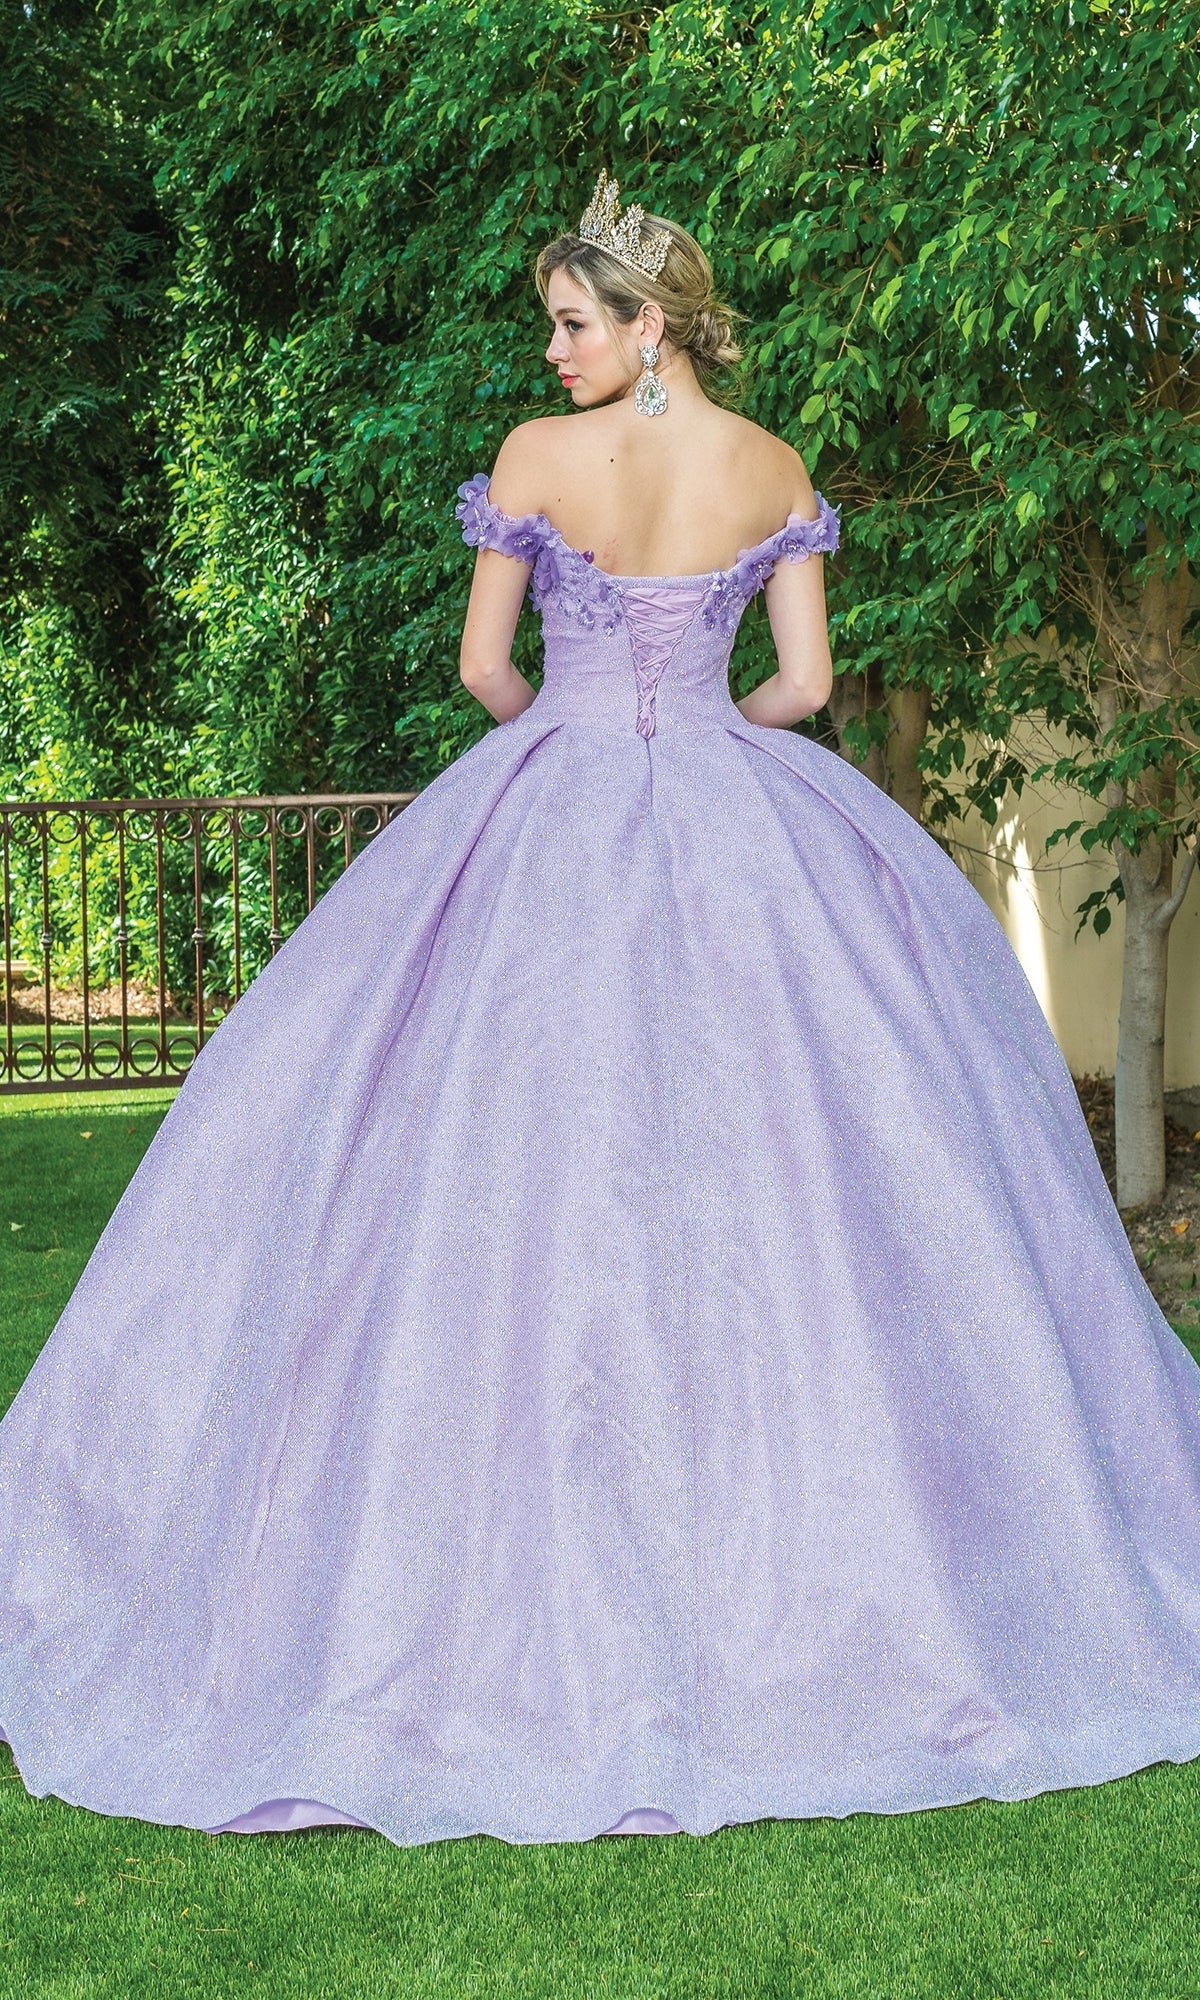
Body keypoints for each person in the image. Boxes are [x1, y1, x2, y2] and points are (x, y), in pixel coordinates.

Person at [1, 168, 1200, 1853]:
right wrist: (704, 734)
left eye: (574, 323)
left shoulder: (536, 466)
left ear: (651, 329)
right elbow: (807, 689)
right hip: (740, 793)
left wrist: (564, 721)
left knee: (500, 1159)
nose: (552, 350)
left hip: (550, 792)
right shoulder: (771, 467)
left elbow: (490, 674)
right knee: (807, 1171)